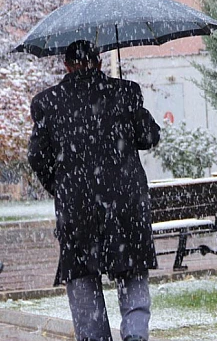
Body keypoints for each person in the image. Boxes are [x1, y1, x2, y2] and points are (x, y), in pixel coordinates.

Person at [28, 40, 160, 341]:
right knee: (132, 272)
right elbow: (150, 137)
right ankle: (136, 335)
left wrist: (60, 186)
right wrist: (135, 110)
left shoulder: (48, 102)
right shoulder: (125, 92)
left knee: (83, 278)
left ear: (66, 65)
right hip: (125, 203)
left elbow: (37, 156)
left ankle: (94, 337)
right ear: (99, 63)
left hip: (78, 207)